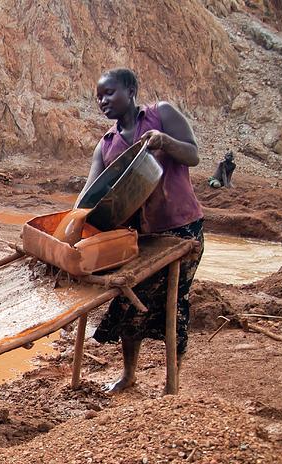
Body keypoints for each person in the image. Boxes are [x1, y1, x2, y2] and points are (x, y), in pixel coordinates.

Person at [80, 68, 205, 392]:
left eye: (109, 93)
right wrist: (73, 220)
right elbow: (90, 194)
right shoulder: (106, 145)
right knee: (128, 302)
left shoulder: (161, 115)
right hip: (140, 238)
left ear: (132, 89)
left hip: (181, 229)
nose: (103, 101)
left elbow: (192, 154)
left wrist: (165, 142)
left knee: (172, 305)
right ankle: (129, 375)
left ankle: (170, 383)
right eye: (98, 97)